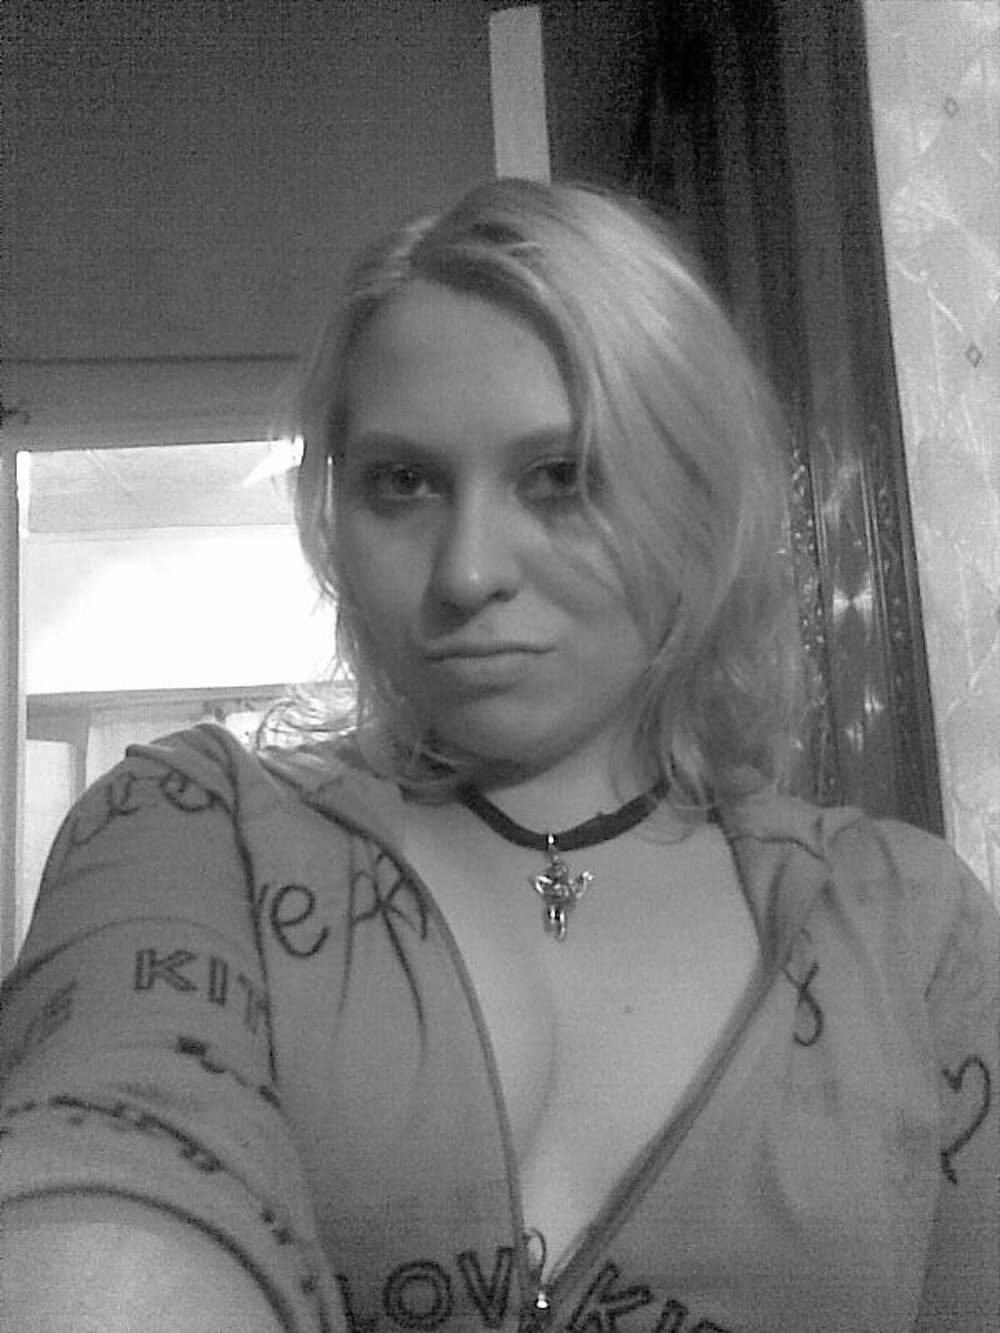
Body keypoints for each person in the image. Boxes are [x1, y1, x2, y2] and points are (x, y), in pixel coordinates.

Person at [1, 179, 997, 1333]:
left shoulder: (904, 928)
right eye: (403, 481)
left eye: (562, 476)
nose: (468, 570)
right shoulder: (192, 823)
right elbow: (106, 1153)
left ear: (697, 498)